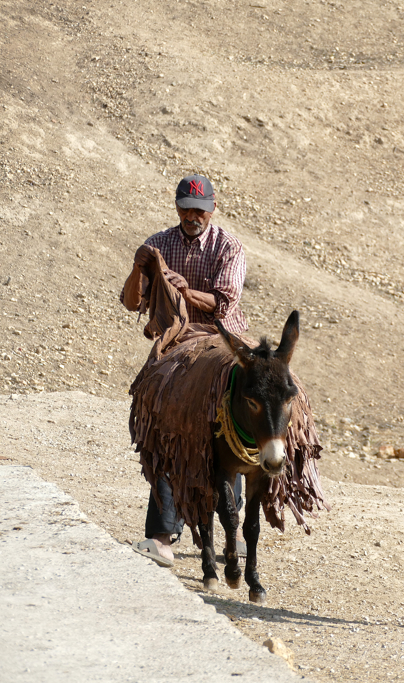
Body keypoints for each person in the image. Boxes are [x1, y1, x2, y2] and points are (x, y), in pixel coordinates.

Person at [121, 173, 248, 567]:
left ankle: (233, 531)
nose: (193, 216)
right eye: (187, 209)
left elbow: (224, 304)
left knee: (234, 422)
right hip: (174, 343)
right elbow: (130, 302)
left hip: (219, 340)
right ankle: (161, 536)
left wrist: (180, 289)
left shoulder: (228, 247)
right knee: (161, 424)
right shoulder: (158, 243)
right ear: (176, 207)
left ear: (212, 209)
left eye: (201, 210)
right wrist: (139, 266)